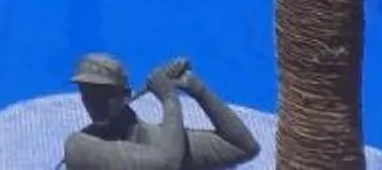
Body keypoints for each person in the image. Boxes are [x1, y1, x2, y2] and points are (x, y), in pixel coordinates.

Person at [61, 54, 260, 170]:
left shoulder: (163, 139)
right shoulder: (79, 147)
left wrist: (197, 90)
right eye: (87, 96)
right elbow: (166, 163)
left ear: (125, 96)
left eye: (104, 95)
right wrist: (169, 99)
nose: (93, 104)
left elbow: (243, 146)